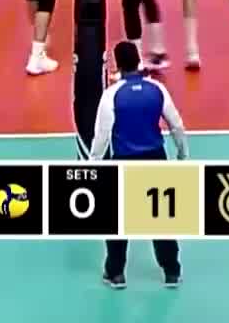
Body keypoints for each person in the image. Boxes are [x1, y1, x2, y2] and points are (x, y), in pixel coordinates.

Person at [89, 40, 186, 290]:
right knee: (160, 216)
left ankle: (115, 273)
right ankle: (171, 271)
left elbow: (102, 136)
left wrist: (94, 164)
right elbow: (176, 125)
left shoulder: (111, 95)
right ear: (138, 60)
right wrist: (182, 153)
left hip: (124, 162)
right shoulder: (158, 89)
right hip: (156, 159)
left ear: (118, 65)